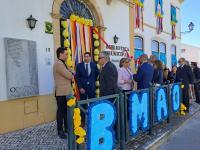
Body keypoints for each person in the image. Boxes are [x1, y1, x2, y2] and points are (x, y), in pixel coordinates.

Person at [53, 47, 74, 139]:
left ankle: (66, 128)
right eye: (66, 54)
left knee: (66, 111)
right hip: (61, 92)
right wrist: (71, 73)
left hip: (66, 92)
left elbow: (72, 72)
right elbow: (69, 75)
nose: (67, 56)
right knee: (61, 112)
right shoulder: (58, 64)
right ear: (60, 54)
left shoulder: (63, 64)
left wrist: (71, 72)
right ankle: (60, 130)